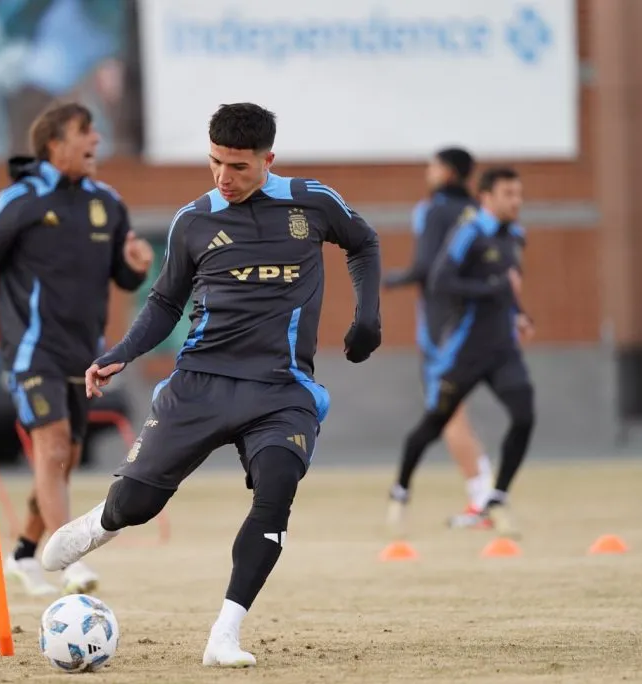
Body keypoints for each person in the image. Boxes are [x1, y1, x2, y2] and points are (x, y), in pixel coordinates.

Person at [39, 103, 383, 667]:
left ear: (268, 160)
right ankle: (102, 520)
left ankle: (225, 633)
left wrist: (367, 319)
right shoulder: (194, 220)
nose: (224, 177)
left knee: (276, 493)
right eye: (215, 162)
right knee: (138, 506)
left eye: (238, 167)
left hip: (281, 389)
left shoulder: (313, 203)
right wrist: (121, 354)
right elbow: (165, 301)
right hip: (201, 382)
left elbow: (364, 243)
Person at [0, 101, 153, 596]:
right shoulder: (20, 199)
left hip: (82, 355)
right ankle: (69, 559)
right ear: (54, 143)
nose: (95, 140)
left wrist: (137, 265)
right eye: (84, 131)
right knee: (49, 448)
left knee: (62, 460)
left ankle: (25, 554)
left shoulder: (108, 203)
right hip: (31, 351)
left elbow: (121, 272)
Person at [387, 167, 535, 539]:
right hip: (465, 350)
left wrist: (521, 315)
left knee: (524, 415)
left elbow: (510, 288)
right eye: (508, 194)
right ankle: (400, 490)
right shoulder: (468, 232)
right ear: (486, 196)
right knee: (434, 423)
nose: (516, 201)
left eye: (519, 194)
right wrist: (493, 286)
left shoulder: (516, 236)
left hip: (503, 350)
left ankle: (496, 498)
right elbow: (441, 281)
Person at [383, 147, 494, 526]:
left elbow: (425, 267)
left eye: (433, 166)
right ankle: (484, 496)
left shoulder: (432, 210)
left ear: (446, 172)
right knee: (454, 410)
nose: (428, 172)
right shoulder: (479, 210)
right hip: (478, 320)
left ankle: (482, 502)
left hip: (442, 323)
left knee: (448, 413)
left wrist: (386, 279)